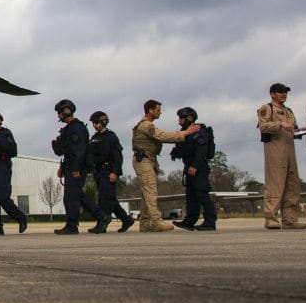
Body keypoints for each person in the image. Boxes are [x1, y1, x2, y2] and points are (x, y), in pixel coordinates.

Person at [131, 100, 197, 232]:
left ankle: (144, 223)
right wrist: (185, 133)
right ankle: (156, 221)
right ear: (150, 111)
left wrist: (155, 163)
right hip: (142, 160)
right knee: (151, 190)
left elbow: (150, 147)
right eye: (157, 110)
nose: (160, 112)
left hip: (147, 160)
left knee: (146, 193)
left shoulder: (147, 125)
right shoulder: (147, 125)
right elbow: (162, 136)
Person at [256, 83, 306, 230]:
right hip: (275, 150)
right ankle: (271, 218)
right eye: (280, 92)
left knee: (292, 184)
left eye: (285, 92)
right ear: (272, 94)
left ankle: (290, 219)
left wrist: (299, 131)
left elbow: (292, 129)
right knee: (275, 184)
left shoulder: (288, 111)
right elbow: (263, 126)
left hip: (290, 150)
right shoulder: (267, 108)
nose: (283, 94)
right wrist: (279, 124)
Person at [84, 111, 135, 234]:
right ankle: (126, 219)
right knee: (110, 199)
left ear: (103, 122)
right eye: (93, 123)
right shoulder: (94, 138)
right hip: (99, 171)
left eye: (96, 122)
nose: (95, 125)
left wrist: (115, 172)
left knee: (105, 199)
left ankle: (102, 224)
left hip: (108, 170)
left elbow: (118, 156)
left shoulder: (111, 137)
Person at [171, 107, 217, 231]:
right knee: (191, 196)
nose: (179, 121)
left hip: (198, 167)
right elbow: (184, 148)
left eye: (181, 118)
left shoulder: (198, 131)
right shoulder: (185, 132)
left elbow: (201, 151)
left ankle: (210, 222)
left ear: (188, 118)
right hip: (189, 167)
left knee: (202, 194)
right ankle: (189, 221)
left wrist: (194, 166)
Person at [50, 99, 91, 234]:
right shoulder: (69, 129)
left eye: (59, 113)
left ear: (66, 112)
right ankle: (101, 216)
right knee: (77, 196)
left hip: (75, 167)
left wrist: (76, 169)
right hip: (70, 166)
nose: (58, 115)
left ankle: (72, 226)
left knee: (71, 198)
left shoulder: (76, 128)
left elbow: (79, 151)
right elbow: (65, 151)